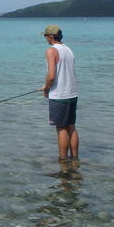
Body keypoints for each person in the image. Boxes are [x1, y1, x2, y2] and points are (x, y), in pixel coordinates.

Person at [39, 24, 79, 160]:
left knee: (61, 128)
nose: (45, 38)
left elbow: (51, 75)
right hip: (72, 94)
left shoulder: (51, 51)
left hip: (59, 96)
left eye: (45, 36)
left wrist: (46, 89)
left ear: (50, 36)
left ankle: (63, 160)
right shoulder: (68, 49)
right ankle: (75, 159)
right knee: (71, 127)